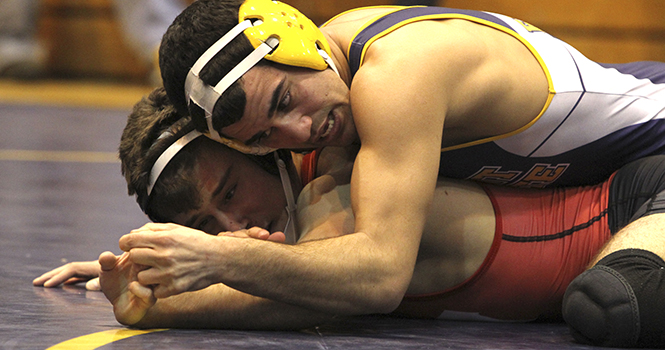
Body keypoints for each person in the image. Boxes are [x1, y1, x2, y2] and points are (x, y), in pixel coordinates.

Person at [154, 0, 665, 346]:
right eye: (266, 136)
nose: (301, 129)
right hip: (632, 173)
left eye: (285, 100)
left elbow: (378, 276)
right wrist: (162, 270)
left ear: (293, 36)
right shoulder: (340, 98)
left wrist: (214, 263)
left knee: (611, 304)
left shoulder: (396, 75)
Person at [36, 88, 665, 346]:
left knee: (609, 308)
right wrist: (154, 264)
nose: (233, 228)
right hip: (604, 230)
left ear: (257, 146)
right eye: (203, 227)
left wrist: (168, 296)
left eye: (229, 195)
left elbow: (319, 296)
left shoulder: (334, 178)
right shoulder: (300, 223)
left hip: (642, 200)